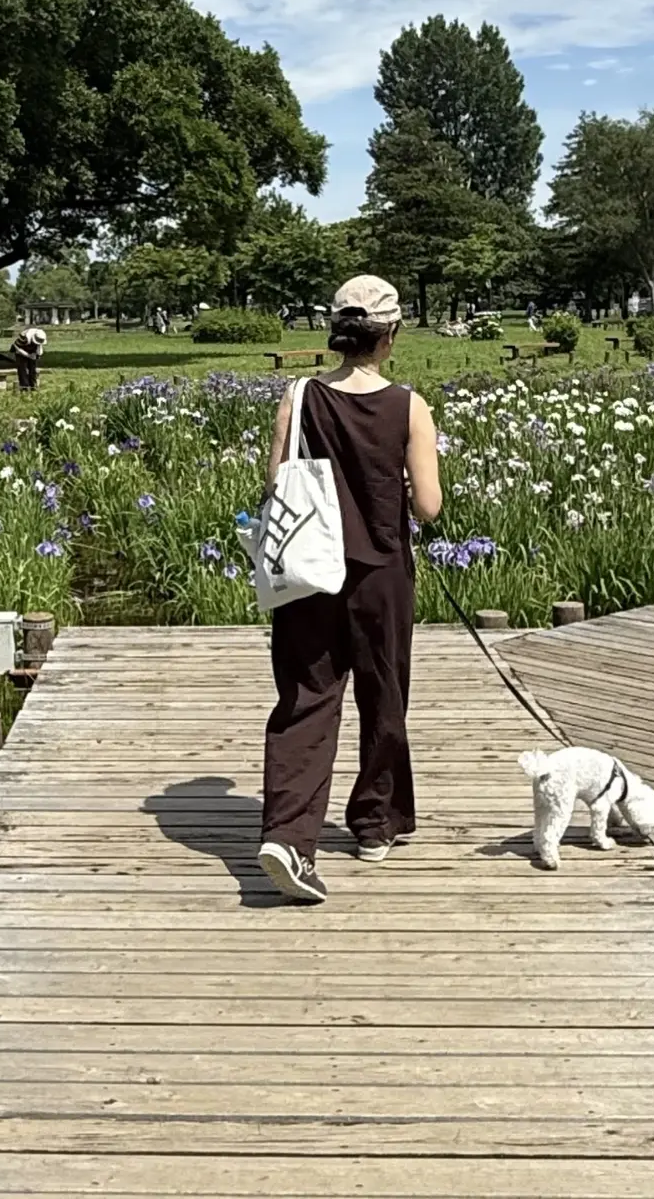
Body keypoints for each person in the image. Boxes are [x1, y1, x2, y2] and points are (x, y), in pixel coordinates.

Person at [257, 275, 443, 905]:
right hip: (380, 572)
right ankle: (374, 824)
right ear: (389, 335)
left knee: (306, 699)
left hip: (310, 573)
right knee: (383, 696)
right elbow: (429, 506)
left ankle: (287, 836)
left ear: (336, 332)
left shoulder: (300, 394)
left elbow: (275, 481)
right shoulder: (408, 405)